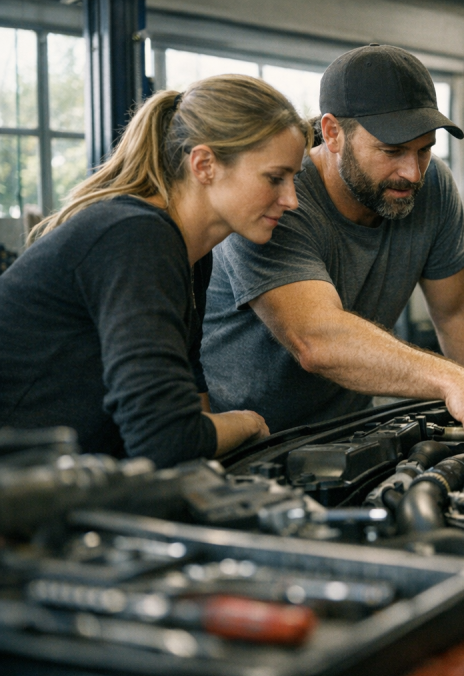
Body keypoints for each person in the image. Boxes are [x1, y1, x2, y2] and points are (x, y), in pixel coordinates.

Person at [202, 45, 464, 457]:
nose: (412, 173)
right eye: (392, 151)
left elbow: (458, 311)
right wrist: (453, 380)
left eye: (424, 149)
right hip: (245, 447)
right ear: (333, 133)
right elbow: (315, 339)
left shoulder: (431, 185)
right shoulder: (277, 201)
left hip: (349, 437)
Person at [0, 75, 311, 466]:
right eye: (275, 178)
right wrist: (247, 422)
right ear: (204, 165)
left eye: (294, 179)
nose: (291, 200)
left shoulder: (192, 254)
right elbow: (165, 439)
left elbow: (188, 394)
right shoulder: (135, 237)